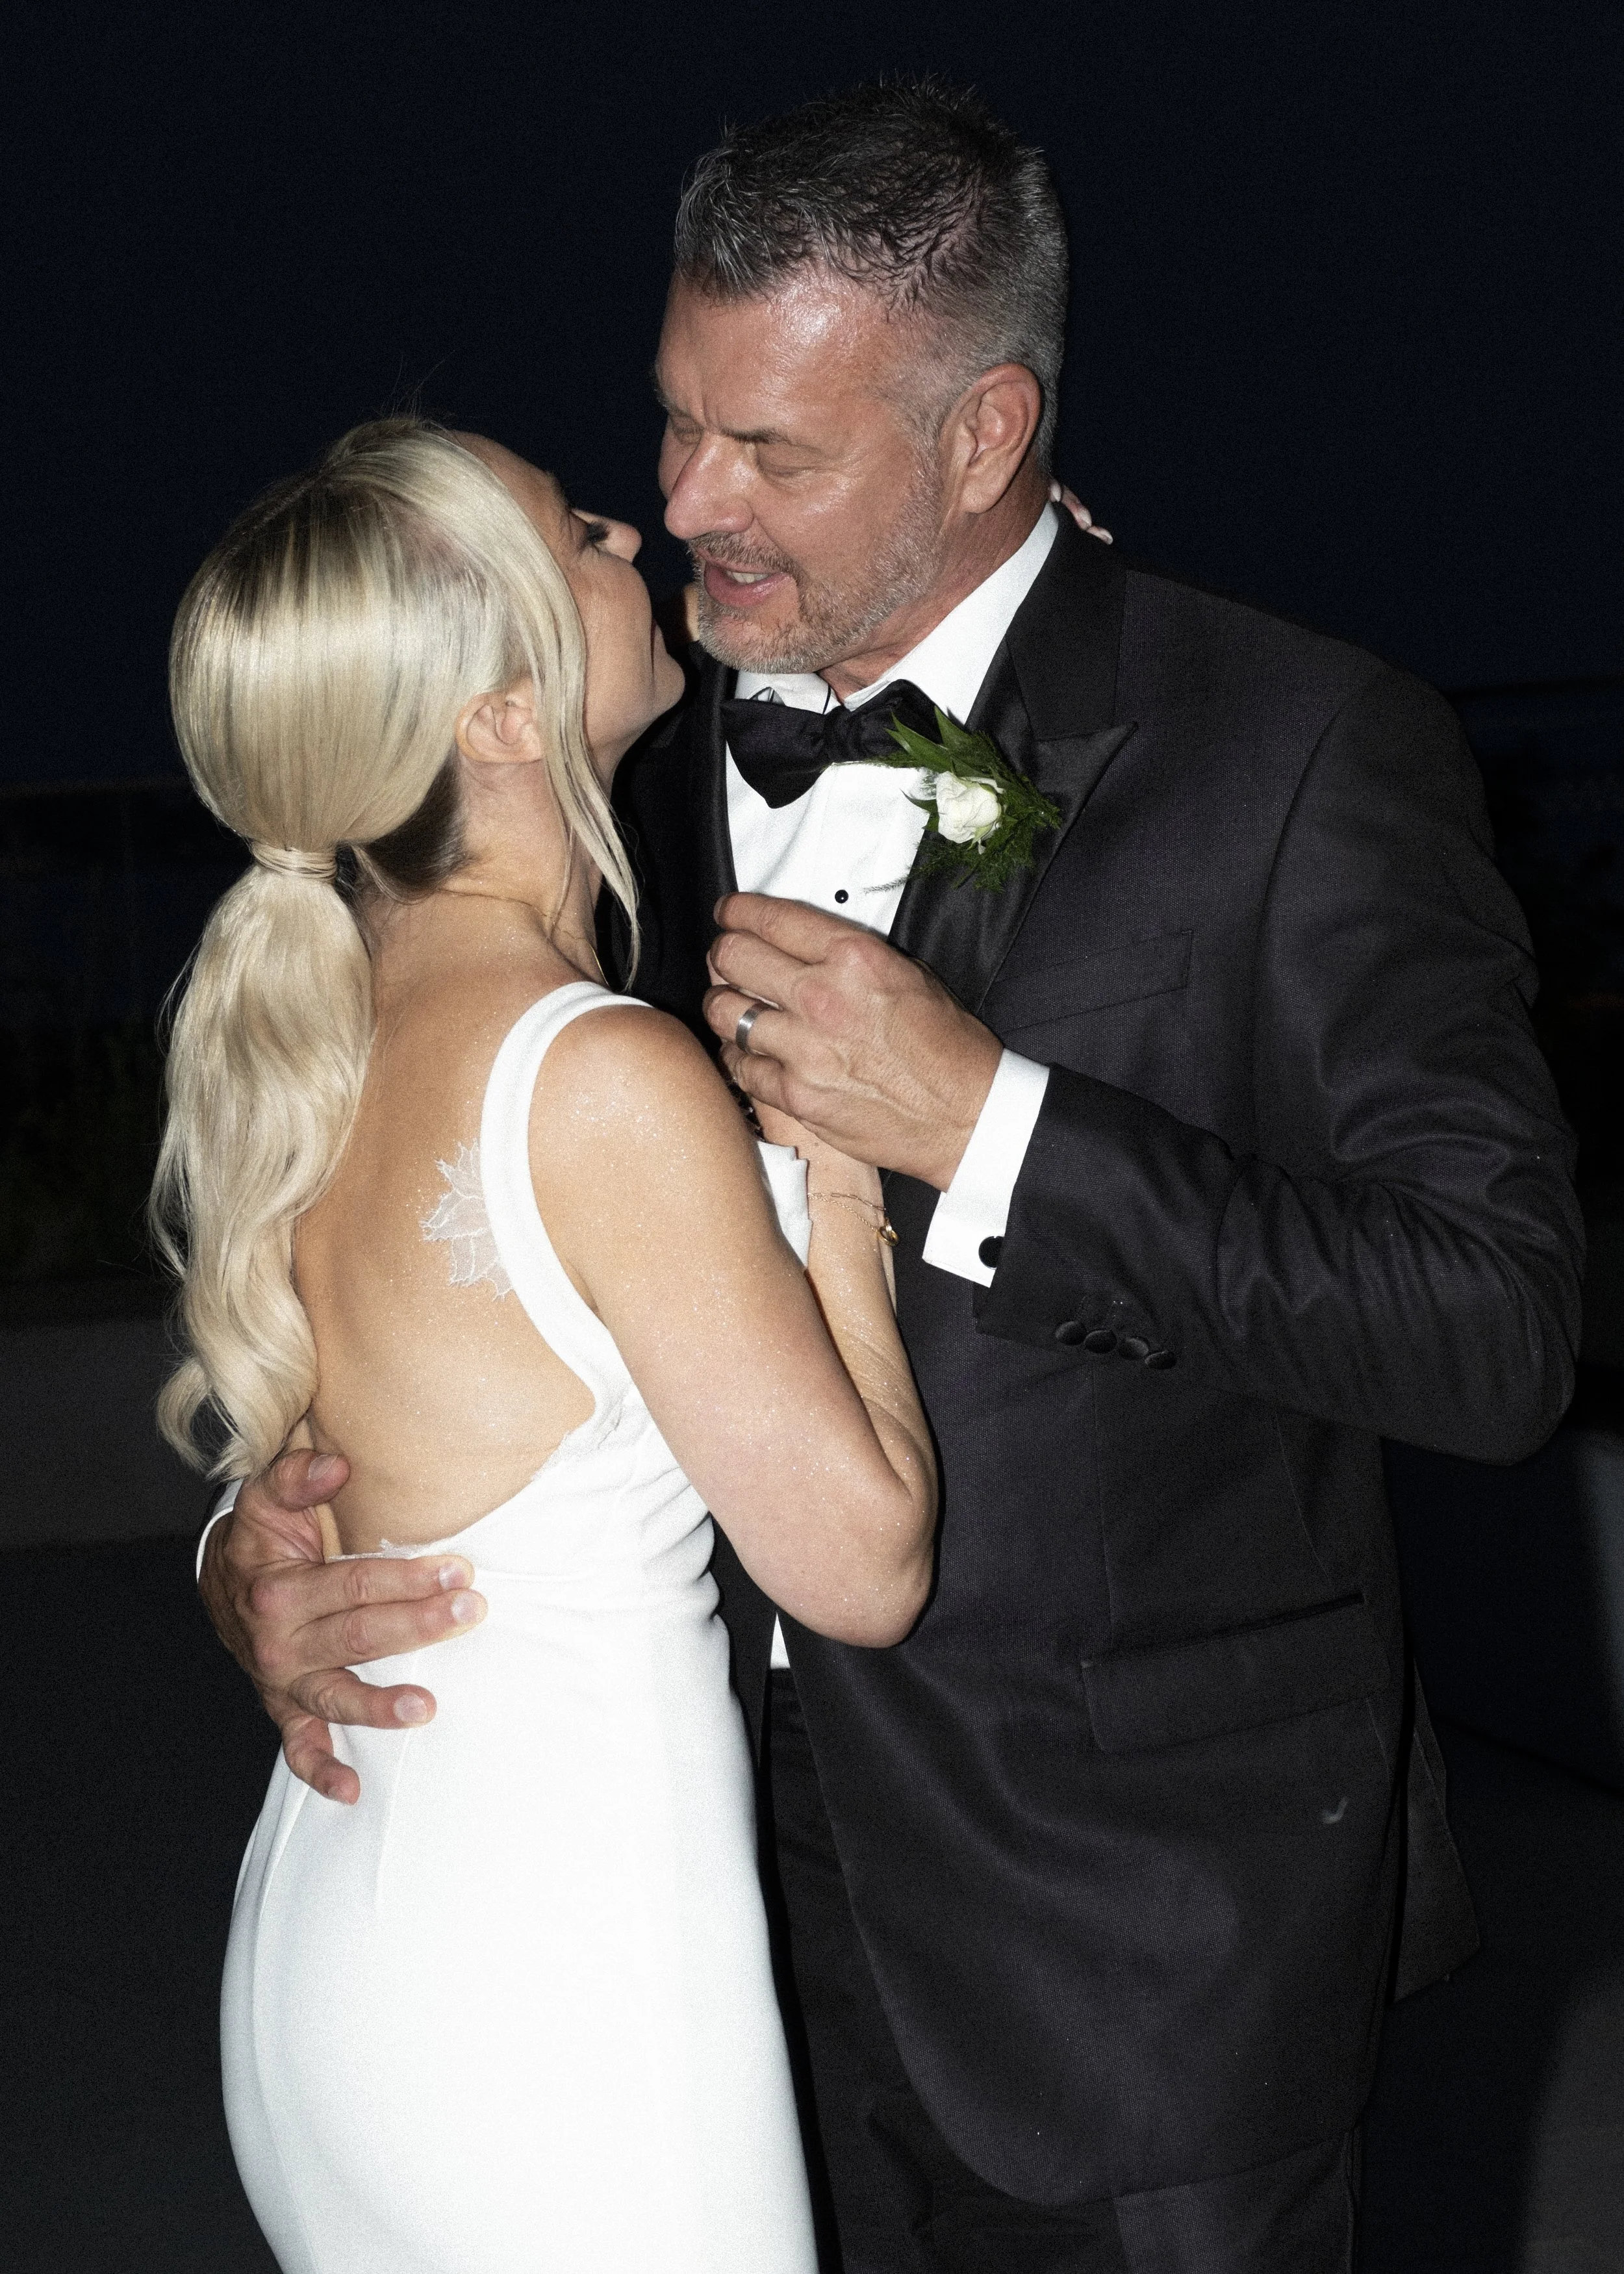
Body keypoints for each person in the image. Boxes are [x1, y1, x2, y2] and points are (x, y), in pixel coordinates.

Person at [198, 83, 1584, 2274]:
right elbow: (437, 1239)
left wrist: (990, 1126)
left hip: (1135, 1977)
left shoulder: (1297, 751)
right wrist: (268, 1543)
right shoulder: (605, 775)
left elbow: (1492, 1325)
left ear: (979, 431)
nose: (677, 505)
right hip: (694, 1956)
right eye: (671, 424)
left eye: (773, 453)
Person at [156, 415, 936, 2273]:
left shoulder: (323, 1048)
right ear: (501, 714)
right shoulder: (591, 1073)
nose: (631, 525)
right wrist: (832, 1179)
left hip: (356, 1936)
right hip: (562, 2001)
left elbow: (327, 1480)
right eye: (577, 529)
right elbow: (864, 1562)